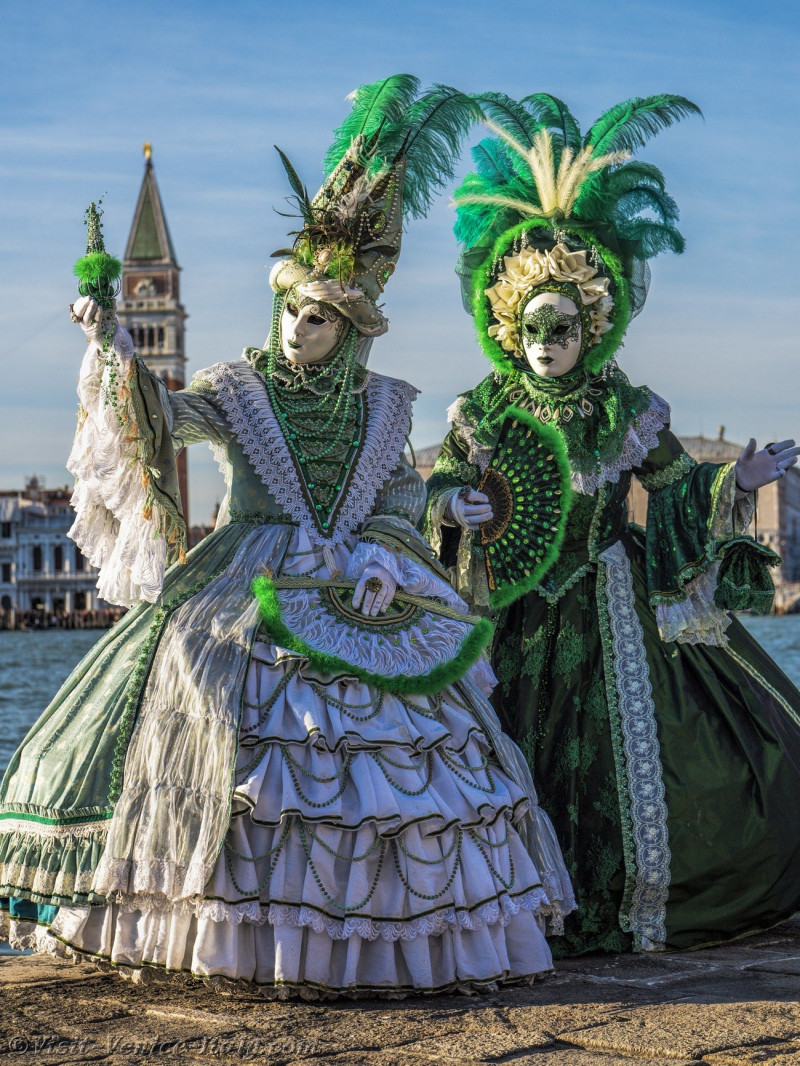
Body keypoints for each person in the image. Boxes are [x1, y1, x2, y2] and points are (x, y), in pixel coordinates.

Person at [0, 77, 575, 996]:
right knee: (212, 710)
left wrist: (391, 559)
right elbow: (163, 420)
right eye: (292, 310)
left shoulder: (386, 407)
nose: (298, 328)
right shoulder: (238, 388)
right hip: (245, 576)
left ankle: (391, 948)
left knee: (401, 766)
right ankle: (223, 933)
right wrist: (113, 344)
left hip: (365, 591)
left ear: (348, 331)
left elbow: (395, 500)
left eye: (318, 318)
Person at [425, 91, 800, 955]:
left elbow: (672, 483)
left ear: (591, 322)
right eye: (532, 327)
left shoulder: (624, 407)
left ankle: (624, 906)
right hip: (510, 611)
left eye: (563, 326)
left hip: (609, 598)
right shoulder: (481, 408)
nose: (548, 342)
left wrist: (735, 479)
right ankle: (509, 908)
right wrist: (455, 504)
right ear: (507, 328)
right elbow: (438, 486)